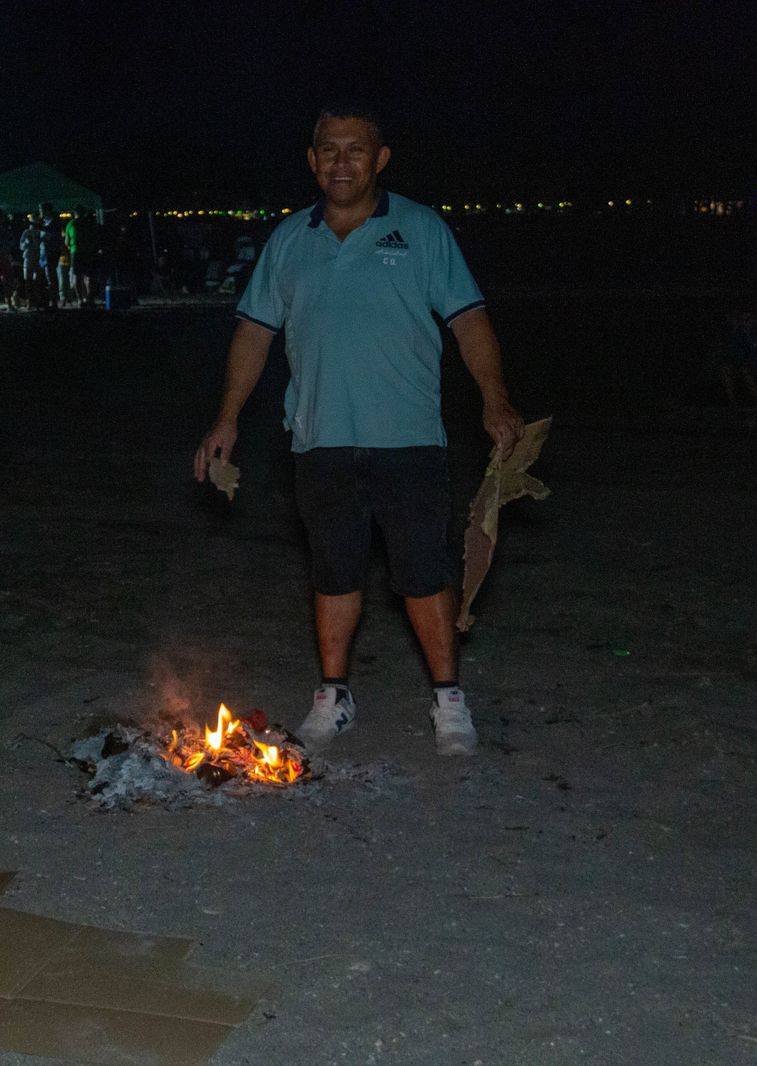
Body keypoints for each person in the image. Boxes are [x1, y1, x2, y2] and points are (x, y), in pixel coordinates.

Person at [192, 103, 523, 757]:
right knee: (333, 571)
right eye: (329, 151)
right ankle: (333, 695)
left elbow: (469, 322)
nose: (342, 162)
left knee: (424, 572)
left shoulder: (422, 231)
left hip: (409, 438)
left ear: (381, 160)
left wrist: (495, 399)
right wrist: (226, 418)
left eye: (356, 150)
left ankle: (449, 700)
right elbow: (254, 333)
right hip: (319, 438)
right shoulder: (289, 239)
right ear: (313, 163)